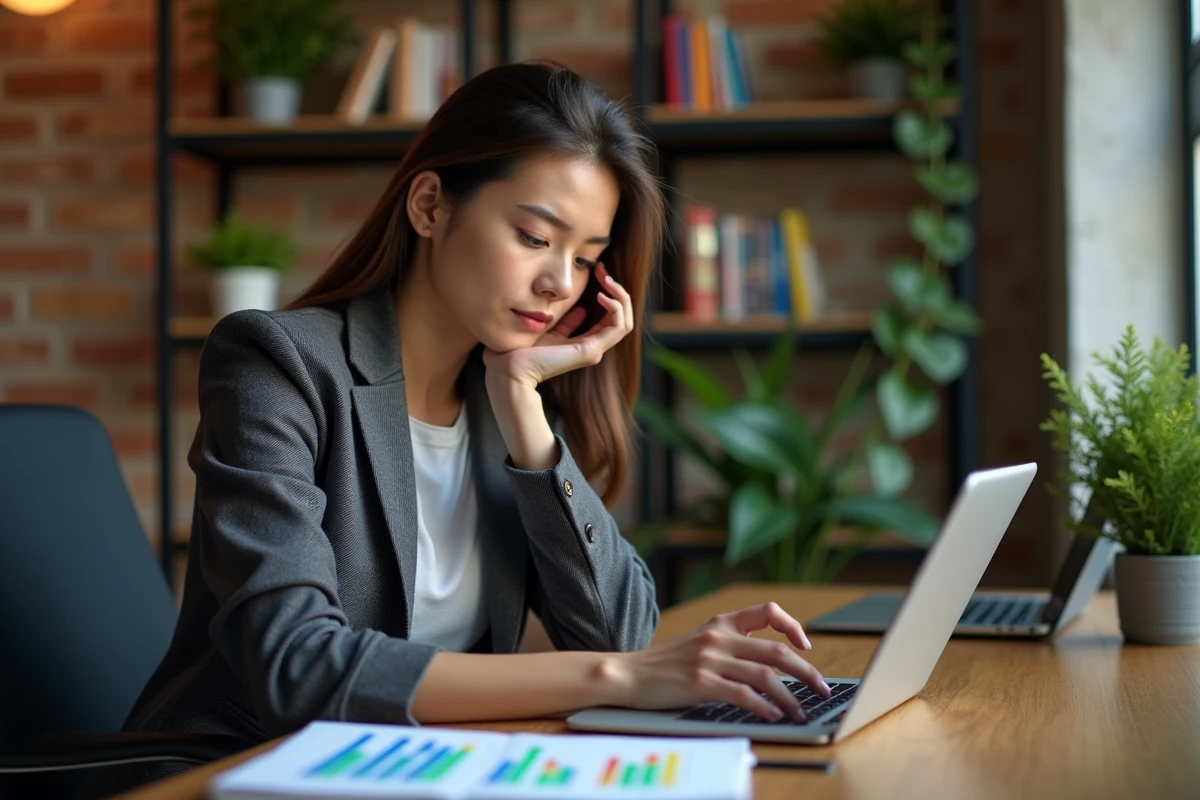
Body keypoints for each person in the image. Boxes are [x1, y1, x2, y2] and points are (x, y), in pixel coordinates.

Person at [89, 61, 829, 796]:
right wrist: (618, 678)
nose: (559, 283)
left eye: (586, 260)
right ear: (431, 206)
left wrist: (525, 417)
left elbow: (618, 635)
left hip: (419, 770)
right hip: (241, 771)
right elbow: (297, 666)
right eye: (535, 237)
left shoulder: (507, 397)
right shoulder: (278, 363)